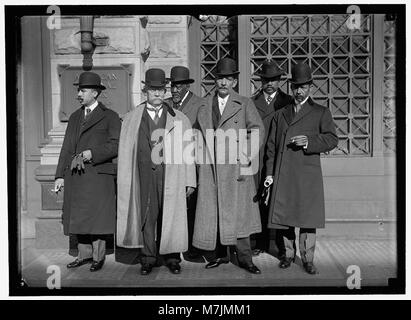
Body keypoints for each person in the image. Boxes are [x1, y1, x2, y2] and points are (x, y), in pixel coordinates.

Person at [116, 68, 196, 275]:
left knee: (172, 217)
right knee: (147, 217)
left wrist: (190, 180)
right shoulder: (131, 119)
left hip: (172, 175)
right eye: (153, 90)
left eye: (161, 89)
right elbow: (124, 152)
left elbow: (188, 153)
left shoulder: (179, 118)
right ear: (146, 91)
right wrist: (125, 180)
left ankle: (172, 258)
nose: (158, 94)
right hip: (142, 176)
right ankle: (148, 258)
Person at [264, 62, 338, 275]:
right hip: (283, 173)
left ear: (310, 87)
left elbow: (332, 139)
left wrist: (309, 141)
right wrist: (269, 174)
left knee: (307, 220)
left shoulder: (320, 112)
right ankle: (288, 255)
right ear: (291, 87)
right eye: (295, 86)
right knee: (285, 219)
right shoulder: (281, 114)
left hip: (307, 175)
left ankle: (308, 259)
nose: (299, 90)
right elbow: (271, 147)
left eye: (303, 86)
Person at [193, 57, 265, 274]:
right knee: (214, 212)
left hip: (235, 169)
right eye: (220, 78)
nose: (223, 83)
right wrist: (198, 160)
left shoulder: (244, 103)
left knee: (240, 215)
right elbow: (197, 134)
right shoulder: (204, 104)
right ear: (215, 80)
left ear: (234, 81)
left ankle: (245, 258)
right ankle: (219, 256)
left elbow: (258, 130)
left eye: (228, 79)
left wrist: (245, 156)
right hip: (211, 169)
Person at [54, 71, 121, 272]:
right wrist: (59, 175)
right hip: (77, 176)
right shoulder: (75, 117)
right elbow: (67, 148)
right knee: (80, 216)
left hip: (99, 176)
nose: (79, 94)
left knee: (98, 218)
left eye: (83, 90)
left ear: (94, 93)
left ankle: (98, 257)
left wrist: (94, 153)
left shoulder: (110, 116)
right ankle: (83, 255)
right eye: (79, 90)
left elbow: (116, 144)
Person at [251, 59, 293, 257]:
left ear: (280, 81)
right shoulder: (252, 102)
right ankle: (259, 241)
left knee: (280, 199)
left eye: (274, 79)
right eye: (266, 79)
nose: (269, 83)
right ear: (261, 81)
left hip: (280, 155)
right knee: (259, 197)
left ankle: (278, 244)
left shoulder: (288, 102)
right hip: (258, 156)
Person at [165, 66, 207, 263]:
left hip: (192, 164)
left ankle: (191, 248)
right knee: (172, 208)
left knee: (192, 207)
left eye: (179, 86)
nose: (174, 90)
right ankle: (172, 250)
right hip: (169, 167)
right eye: (173, 85)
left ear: (187, 86)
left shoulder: (200, 104)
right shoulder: (164, 104)